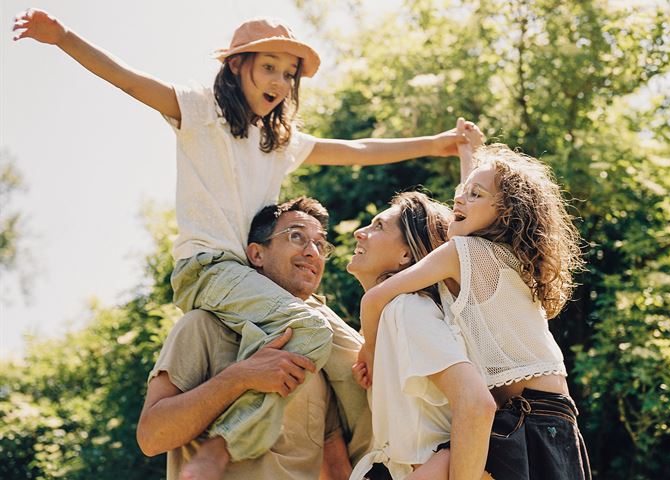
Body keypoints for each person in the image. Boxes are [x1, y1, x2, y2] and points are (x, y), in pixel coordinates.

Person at [12, 7, 466, 472]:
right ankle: (223, 443)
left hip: (254, 282)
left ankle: (387, 467)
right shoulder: (198, 113)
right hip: (208, 269)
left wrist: (435, 143)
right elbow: (130, 81)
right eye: (269, 67)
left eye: (289, 74)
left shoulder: (279, 142)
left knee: (360, 362)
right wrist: (63, 37)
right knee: (307, 329)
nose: (281, 82)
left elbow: (355, 152)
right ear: (236, 66)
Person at [355, 119, 591, 479]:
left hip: (529, 416)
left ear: (506, 213)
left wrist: (369, 350)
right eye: (462, 193)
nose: (459, 199)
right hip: (550, 415)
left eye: (473, 195)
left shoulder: (463, 254)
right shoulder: (500, 256)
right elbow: (475, 203)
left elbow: (376, 299)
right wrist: (469, 153)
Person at [137, 196, 372, 480]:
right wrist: (238, 378)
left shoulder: (321, 350)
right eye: (296, 236)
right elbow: (151, 438)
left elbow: (335, 467)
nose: (312, 252)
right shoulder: (203, 327)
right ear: (257, 254)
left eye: (320, 244)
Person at [346, 191, 496, 480]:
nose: (359, 233)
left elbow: (476, 404)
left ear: (406, 255)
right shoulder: (393, 317)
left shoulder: (409, 309)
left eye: (378, 226)